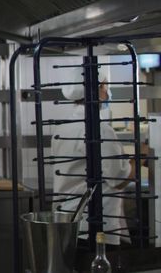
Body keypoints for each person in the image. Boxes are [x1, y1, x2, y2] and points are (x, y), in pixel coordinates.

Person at [51, 68, 134, 247]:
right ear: (97, 90)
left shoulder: (62, 128)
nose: (107, 92)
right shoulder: (99, 129)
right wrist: (142, 157)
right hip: (95, 224)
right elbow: (118, 179)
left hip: (69, 220)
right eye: (105, 86)